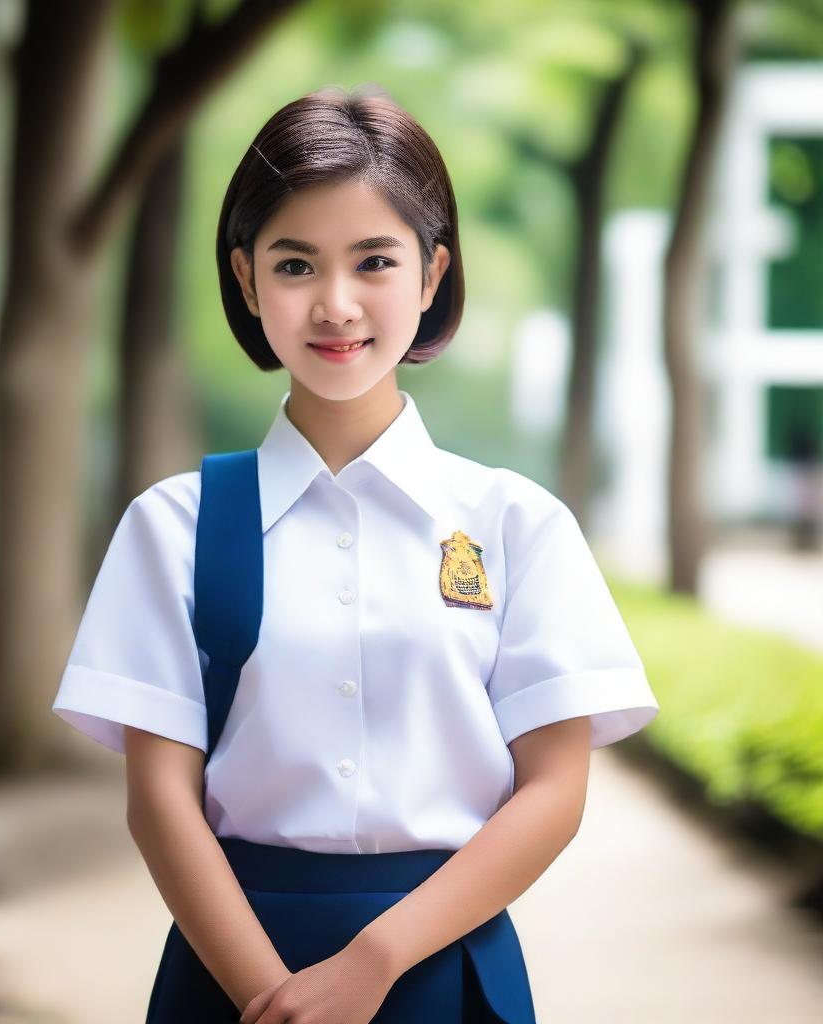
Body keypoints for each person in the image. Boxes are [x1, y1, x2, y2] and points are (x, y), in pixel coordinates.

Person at [51, 84, 660, 1023]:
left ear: (431, 274)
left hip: (444, 971)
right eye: (295, 265)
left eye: (374, 260)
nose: (335, 305)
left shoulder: (516, 524)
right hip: (231, 976)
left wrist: (373, 962)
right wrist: (272, 997)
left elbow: (554, 791)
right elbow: (159, 802)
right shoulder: (171, 527)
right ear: (248, 282)